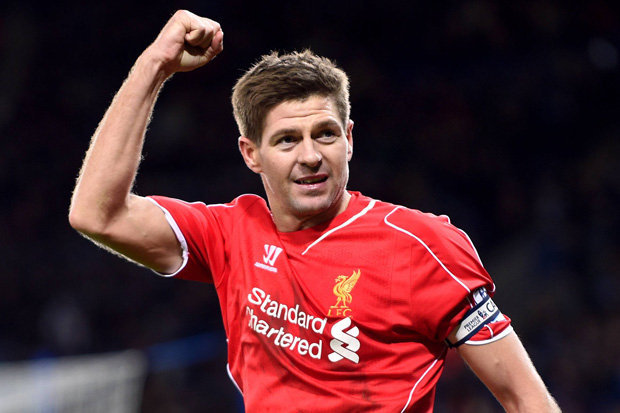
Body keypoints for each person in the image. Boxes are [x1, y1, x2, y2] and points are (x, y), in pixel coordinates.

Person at [69, 10, 561, 412]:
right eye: (287, 140)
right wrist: (154, 65)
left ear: (349, 139)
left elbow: (528, 400)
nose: (310, 155)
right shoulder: (230, 234)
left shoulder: (424, 245)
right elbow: (97, 214)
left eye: (325, 133)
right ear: (251, 154)